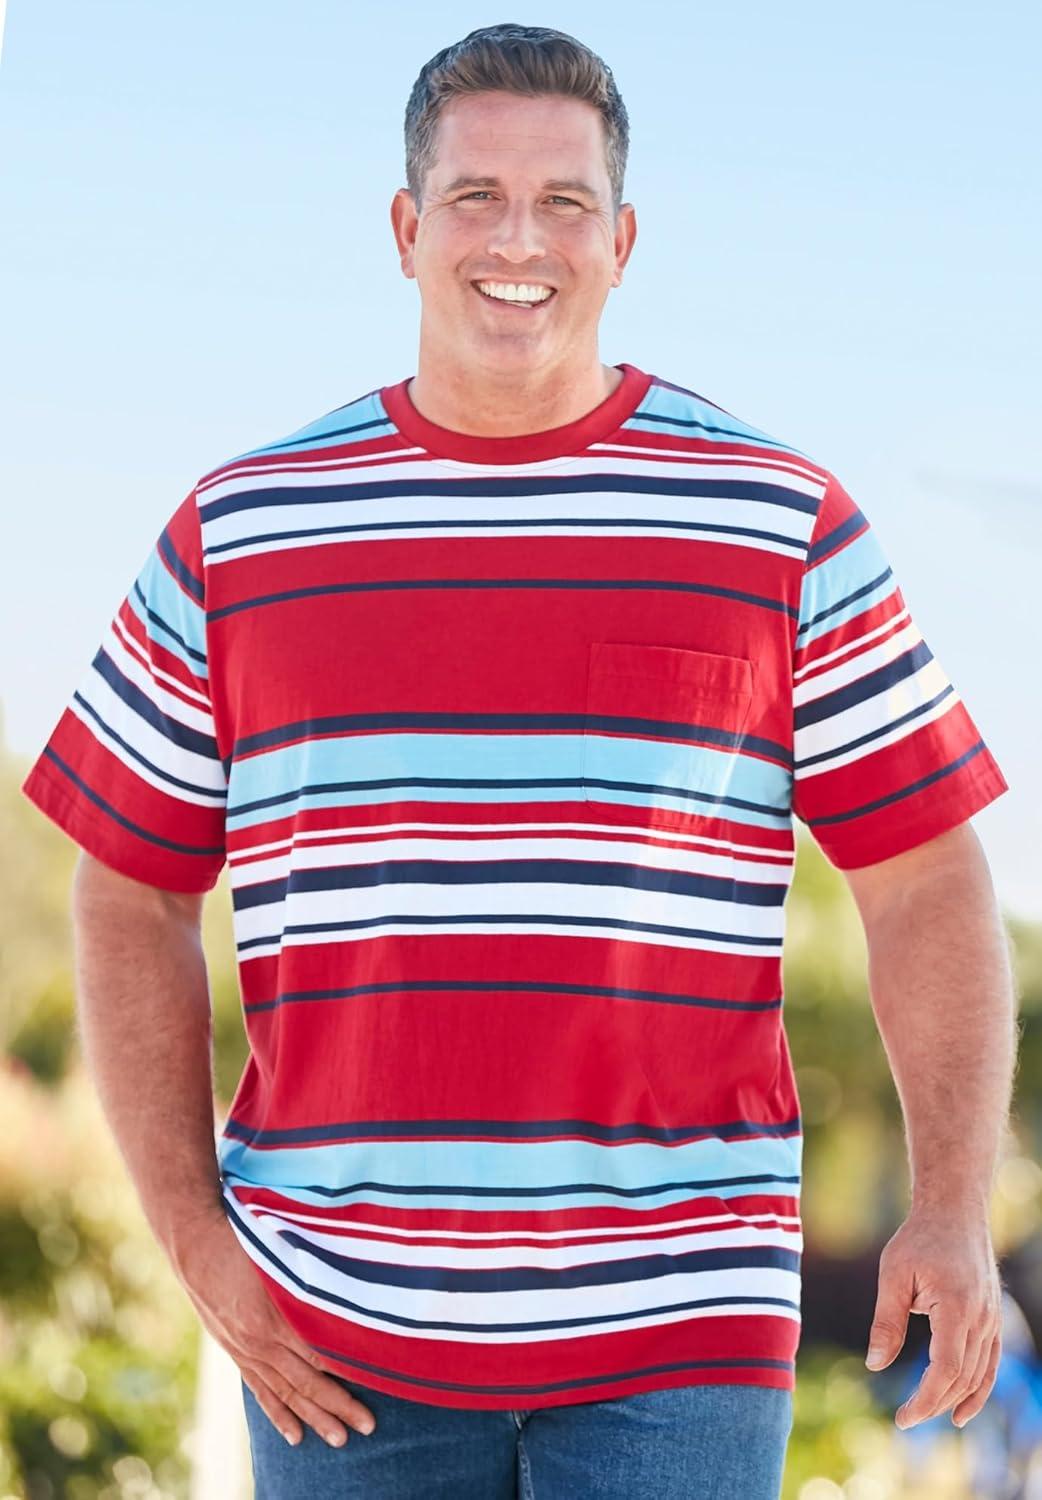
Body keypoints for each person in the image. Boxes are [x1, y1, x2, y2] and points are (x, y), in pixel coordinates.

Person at [21, 22, 1017, 1500]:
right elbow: (126, 890)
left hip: (680, 1327)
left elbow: (925, 876)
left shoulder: (778, 521)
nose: (518, 241)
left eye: (563, 203)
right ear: (405, 229)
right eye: (476, 196)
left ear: (622, 241)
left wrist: (948, 1202)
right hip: (333, 1334)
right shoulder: (241, 532)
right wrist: (193, 1240)